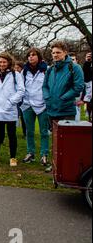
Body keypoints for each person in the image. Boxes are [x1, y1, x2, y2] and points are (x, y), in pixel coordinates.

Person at [43, 41, 84, 172]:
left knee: (67, 142)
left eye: (58, 52)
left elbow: (78, 87)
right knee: (55, 141)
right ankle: (55, 165)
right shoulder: (50, 69)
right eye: (53, 53)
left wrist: (63, 98)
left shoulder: (75, 67)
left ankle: (68, 167)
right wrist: (47, 97)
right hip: (52, 110)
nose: (55, 55)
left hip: (66, 110)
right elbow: (44, 86)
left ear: (65, 52)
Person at [0, 52, 25, 167]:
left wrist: (10, 102)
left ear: (9, 62)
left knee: (11, 134)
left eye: (4, 62)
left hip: (10, 109)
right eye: (0, 62)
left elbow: (21, 91)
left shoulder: (15, 75)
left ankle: (13, 157)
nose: (2, 64)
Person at [20, 48, 50, 166]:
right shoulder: (24, 71)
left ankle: (44, 154)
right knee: (29, 131)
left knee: (44, 131)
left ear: (39, 57)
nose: (31, 57)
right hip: (27, 104)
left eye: (33, 55)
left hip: (42, 105)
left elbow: (48, 86)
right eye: (29, 55)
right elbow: (21, 87)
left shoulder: (46, 70)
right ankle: (30, 153)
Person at [14, 60, 27, 137]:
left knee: (23, 116)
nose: (16, 69)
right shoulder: (14, 75)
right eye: (15, 68)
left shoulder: (23, 75)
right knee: (16, 115)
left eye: (18, 68)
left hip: (23, 98)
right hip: (16, 98)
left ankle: (25, 133)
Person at [82, 52, 92, 121]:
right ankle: (88, 115)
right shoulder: (85, 64)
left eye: (90, 56)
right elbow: (84, 74)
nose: (89, 57)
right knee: (87, 101)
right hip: (87, 84)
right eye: (88, 56)